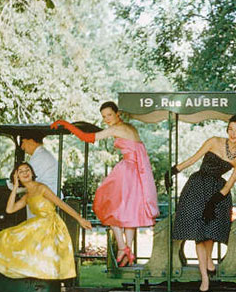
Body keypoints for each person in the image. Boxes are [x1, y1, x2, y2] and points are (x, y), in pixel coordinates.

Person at [52, 101, 159, 266]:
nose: (107, 119)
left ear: (117, 114)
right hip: (136, 172)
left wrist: (66, 125)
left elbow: (87, 138)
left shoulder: (116, 129)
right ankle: (128, 249)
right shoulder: (130, 127)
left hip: (127, 170)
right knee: (129, 213)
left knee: (107, 206)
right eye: (104, 117)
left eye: (109, 115)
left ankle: (123, 247)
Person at [167, 115, 236, 292]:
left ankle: (209, 261)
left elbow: (229, 184)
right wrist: (172, 171)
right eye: (230, 129)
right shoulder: (214, 141)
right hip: (197, 185)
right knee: (198, 233)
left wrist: (214, 202)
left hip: (218, 192)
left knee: (210, 229)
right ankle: (204, 277)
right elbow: (193, 159)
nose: (233, 133)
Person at [0, 132, 59, 218]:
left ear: (31, 141)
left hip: (44, 202)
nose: (22, 147)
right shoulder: (41, 155)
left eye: (23, 142)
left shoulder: (40, 157)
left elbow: (22, 180)